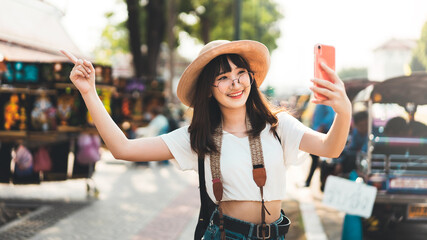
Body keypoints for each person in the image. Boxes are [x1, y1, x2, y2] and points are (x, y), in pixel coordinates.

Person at [60, 39, 351, 240]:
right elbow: (122, 148)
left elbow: (331, 147)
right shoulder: (198, 137)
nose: (235, 82)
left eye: (240, 73)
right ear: (209, 90)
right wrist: (89, 92)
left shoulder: (279, 125)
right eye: (223, 77)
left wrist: (343, 109)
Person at [303, 104, 335, 187]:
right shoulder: (319, 102)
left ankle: (310, 181)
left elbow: (331, 115)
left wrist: (322, 126)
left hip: (319, 133)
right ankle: (309, 181)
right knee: (315, 159)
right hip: (316, 132)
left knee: (315, 159)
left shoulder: (325, 102)